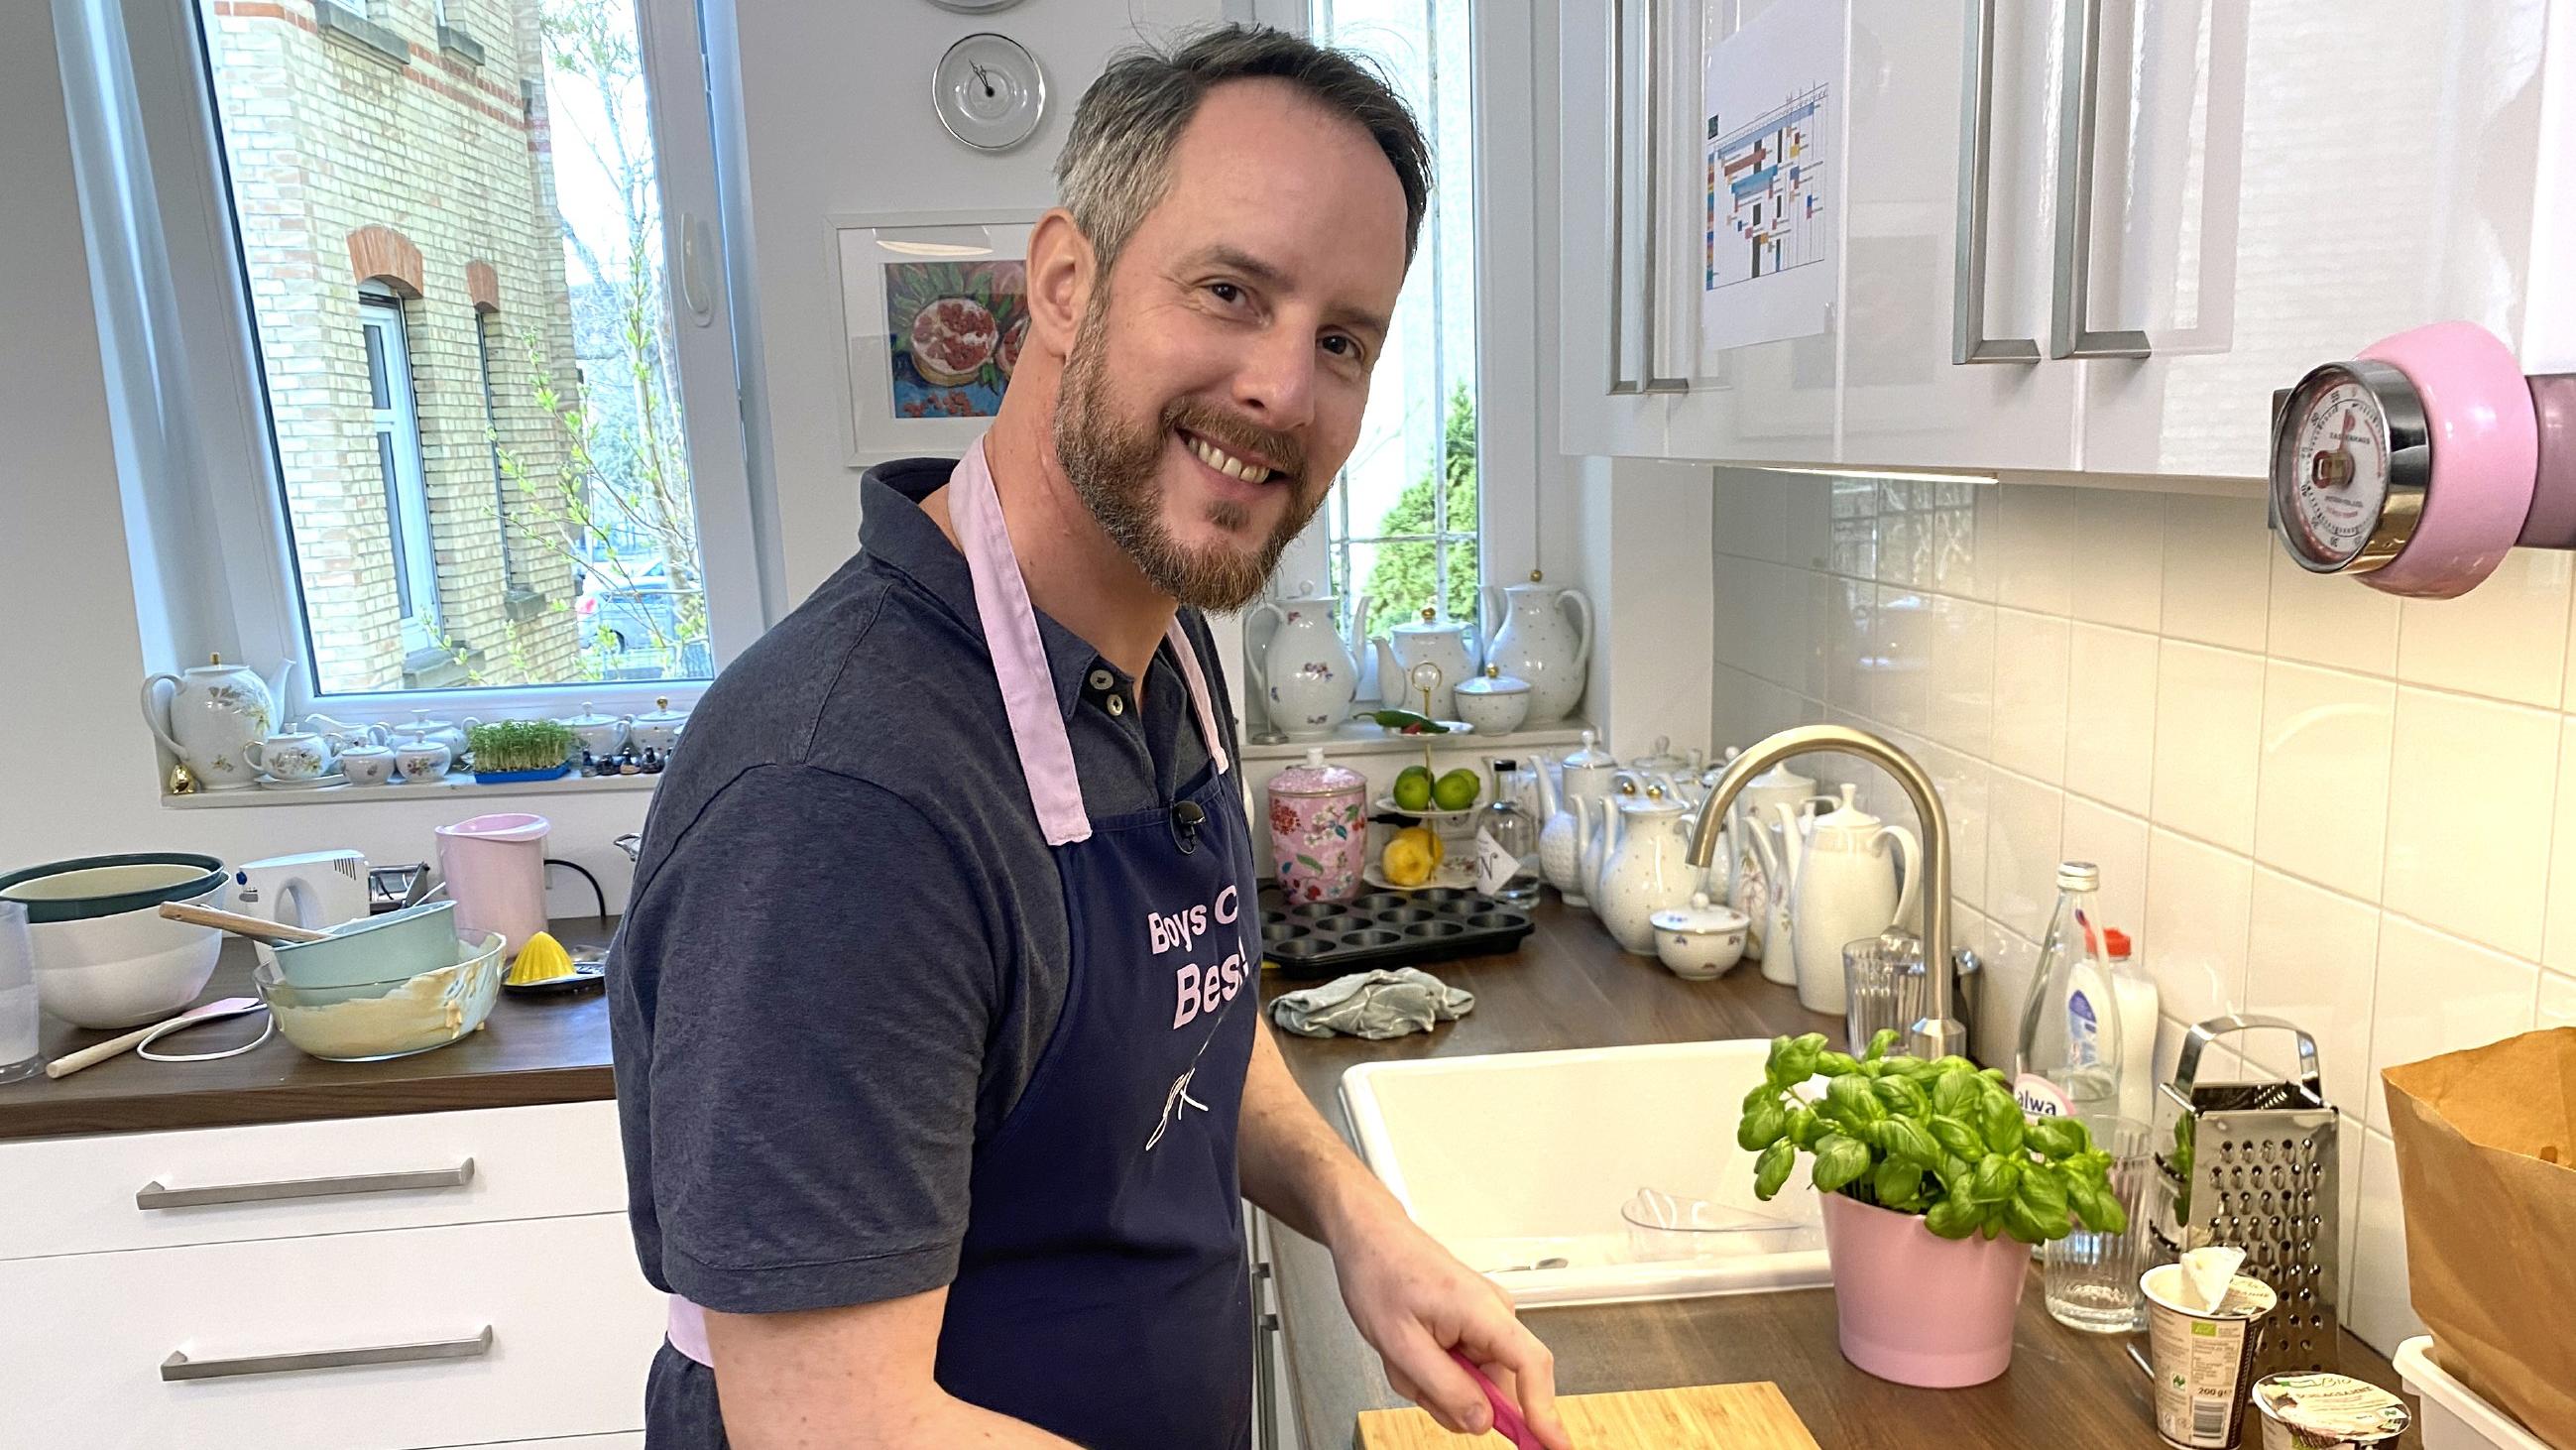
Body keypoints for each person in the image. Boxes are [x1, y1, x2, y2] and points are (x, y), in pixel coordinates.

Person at [607, 24, 1574, 1450]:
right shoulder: (844, 796)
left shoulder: (1168, 646)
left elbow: (1180, 1021)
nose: (1283, 389)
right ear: (1064, 281)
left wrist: (1359, 1219)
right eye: (1229, 288)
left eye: (1343, 341)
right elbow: (832, 1423)